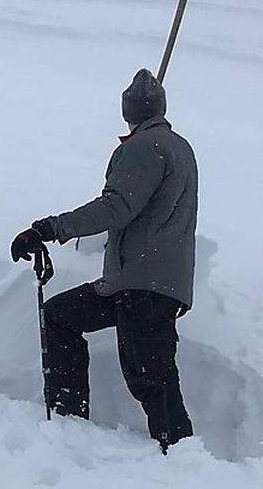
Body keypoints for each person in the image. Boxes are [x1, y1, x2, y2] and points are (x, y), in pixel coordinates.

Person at [10, 69, 197, 453]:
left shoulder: (146, 148)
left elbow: (116, 207)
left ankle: (180, 456)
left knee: (151, 375)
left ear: (128, 111)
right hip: (142, 280)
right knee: (62, 316)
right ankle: (68, 419)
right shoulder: (179, 147)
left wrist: (50, 229)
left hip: (144, 281)